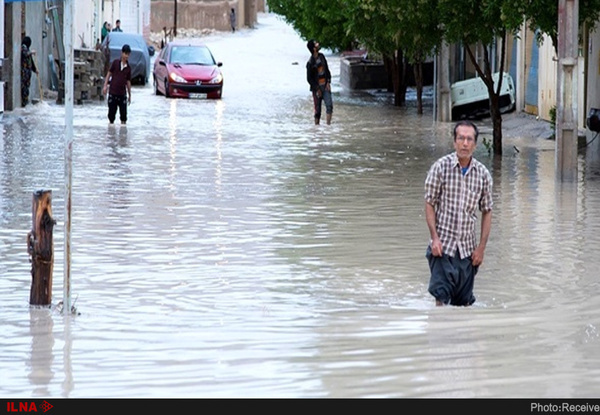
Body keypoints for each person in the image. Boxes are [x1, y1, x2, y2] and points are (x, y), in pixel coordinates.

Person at [424, 120, 493, 306]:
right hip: (442, 248)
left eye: (469, 139)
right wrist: (434, 238)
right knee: (441, 301)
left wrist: (481, 248)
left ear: (475, 144)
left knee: (463, 306)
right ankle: (438, 333)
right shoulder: (440, 168)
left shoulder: (483, 175)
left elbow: (487, 211)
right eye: (461, 138)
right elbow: (429, 203)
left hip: (467, 253)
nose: (465, 143)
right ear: (454, 142)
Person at [102, 44, 132, 125]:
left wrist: (129, 95)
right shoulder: (115, 63)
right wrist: (105, 86)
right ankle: (111, 134)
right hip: (113, 93)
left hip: (122, 95)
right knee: (111, 117)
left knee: (124, 117)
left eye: (128, 54)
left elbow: (128, 82)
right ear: (122, 53)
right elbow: (109, 74)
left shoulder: (128, 68)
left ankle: (123, 135)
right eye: (125, 54)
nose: (126, 56)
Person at [306, 39, 333, 125]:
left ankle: (328, 126)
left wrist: (328, 82)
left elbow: (327, 71)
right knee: (318, 110)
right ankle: (316, 129)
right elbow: (309, 79)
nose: (318, 44)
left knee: (329, 106)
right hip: (317, 88)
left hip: (325, 86)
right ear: (314, 48)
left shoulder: (322, 57)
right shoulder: (310, 63)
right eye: (316, 44)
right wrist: (317, 89)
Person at [21, 36, 38, 107]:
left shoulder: (27, 49)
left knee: (27, 88)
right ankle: (24, 103)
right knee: (24, 88)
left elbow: (31, 61)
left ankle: (26, 102)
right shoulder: (23, 48)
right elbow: (25, 54)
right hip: (24, 74)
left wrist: (35, 70)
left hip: (28, 73)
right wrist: (31, 52)